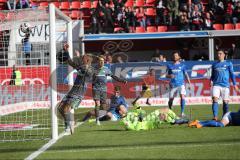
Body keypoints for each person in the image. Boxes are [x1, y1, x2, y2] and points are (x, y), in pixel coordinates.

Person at [57, 44, 94, 135]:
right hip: (72, 91)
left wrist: (77, 58)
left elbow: (82, 68)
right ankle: (67, 124)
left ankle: (71, 123)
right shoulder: (81, 67)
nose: (82, 58)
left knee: (66, 108)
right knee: (60, 108)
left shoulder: (90, 70)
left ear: (87, 60)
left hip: (78, 94)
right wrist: (66, 51)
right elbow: (70, 62)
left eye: (83, 58)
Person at [92, 55, 127, 125]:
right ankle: (97, 120)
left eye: (103, 61)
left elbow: (113, 76)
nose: (102, 62)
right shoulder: (93, 69)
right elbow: (88, 77)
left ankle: (103, 116)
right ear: (98, 61)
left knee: (104, 105)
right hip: (96, 89)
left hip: (104, 89)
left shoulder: (106, 69)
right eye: (100, 61)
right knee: (97, 103)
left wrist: (122, 80)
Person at [210, 50, 239, 121]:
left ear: (224, 55)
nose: (219, 55)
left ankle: (224, 117)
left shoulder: (229, 64)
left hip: (225, 86)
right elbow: (212, 75)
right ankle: (215, 116)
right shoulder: (214, 65)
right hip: (216, 85)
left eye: (220, 54)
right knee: (215, 99)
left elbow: (232, 75)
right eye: (218, 54)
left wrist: (235, 84)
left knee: (225, 102)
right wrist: (211, 81)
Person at [166, 51, 191, 117]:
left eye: (176, 55)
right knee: (171, 99)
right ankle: (170, 110)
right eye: (174, 56)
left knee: (182, 96)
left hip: (181, 84)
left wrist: (189, 83)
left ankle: (182, 113)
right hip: (173, 85)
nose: (175, 57)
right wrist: (169, 76)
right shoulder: (169, 65)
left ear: (179, 57)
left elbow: (186, 74)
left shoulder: (182, 65)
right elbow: (166, 75)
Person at [122, 106, 189, 131]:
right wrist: (140, 120)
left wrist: (137, 105)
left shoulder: (129, 113)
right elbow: (135, 128)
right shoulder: (124, 120)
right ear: (120, 111)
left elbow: (140, 112)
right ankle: (175, 121)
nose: (125, 107)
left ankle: (176, 119)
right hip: (148, 124)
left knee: (165, 109)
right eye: (123, 108)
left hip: (148, 117)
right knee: (163, 115)